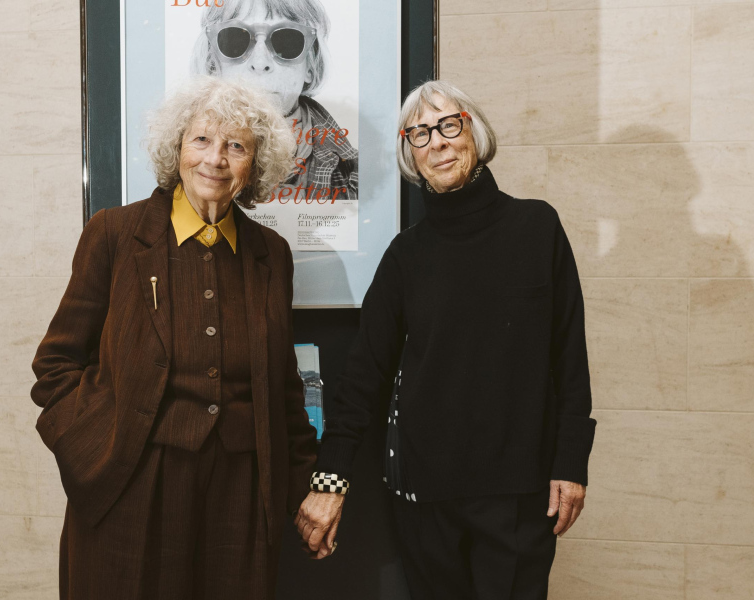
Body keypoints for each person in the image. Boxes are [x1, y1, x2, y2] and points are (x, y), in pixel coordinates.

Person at [296, 80, 597, 599]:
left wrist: (572, 463)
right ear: (410, 153)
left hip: (519, 491)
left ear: (473, 132)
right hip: (425, 496)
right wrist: (330, 480)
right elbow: (363, 376)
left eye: (448, 125)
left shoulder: (537, 227)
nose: (436, 142)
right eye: (420, 133)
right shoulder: (405, 256)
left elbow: (569, 356)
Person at [31, 77, 317, 600]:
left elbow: (283, 386)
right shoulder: (114, 234)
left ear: (255, 164)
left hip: (240, 496)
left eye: (236, 146)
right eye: (201, 139)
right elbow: (56, 364)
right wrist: (89, 454)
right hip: (132, 484)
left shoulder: (271, 253)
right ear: (177, 147)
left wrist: (304, 487)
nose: (215, 159)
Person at [191, 0, 358, 201]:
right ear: (213, 64)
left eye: (287, 41)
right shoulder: (179, 165)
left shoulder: (354, 177)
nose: (260, 63)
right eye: (235, 39)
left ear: (310, 65)